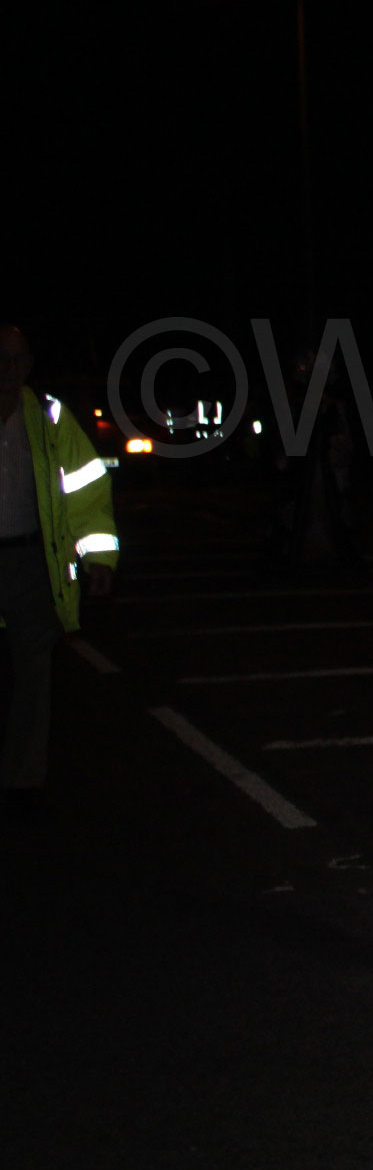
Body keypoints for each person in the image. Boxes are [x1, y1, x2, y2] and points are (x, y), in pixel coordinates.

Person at [0, 325, 120, 819]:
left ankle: (23, 782)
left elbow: (87, 489)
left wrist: (98, 557)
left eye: (18, 359)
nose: (10, 369)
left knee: (33, 675)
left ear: (30, 365)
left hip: (33, 563)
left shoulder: (49, 417)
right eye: (2, 358)